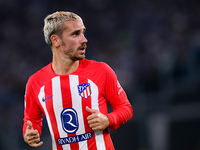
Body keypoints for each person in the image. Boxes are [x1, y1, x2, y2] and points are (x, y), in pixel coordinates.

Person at [23, 11, 133, 150]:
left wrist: (108, 119)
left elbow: (125, 108)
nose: (84, 39)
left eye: (83, 33)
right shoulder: (36, 82)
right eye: (75, 34)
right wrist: (30, 134)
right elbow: (32, 121)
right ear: (55, 40)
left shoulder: (101, 71)